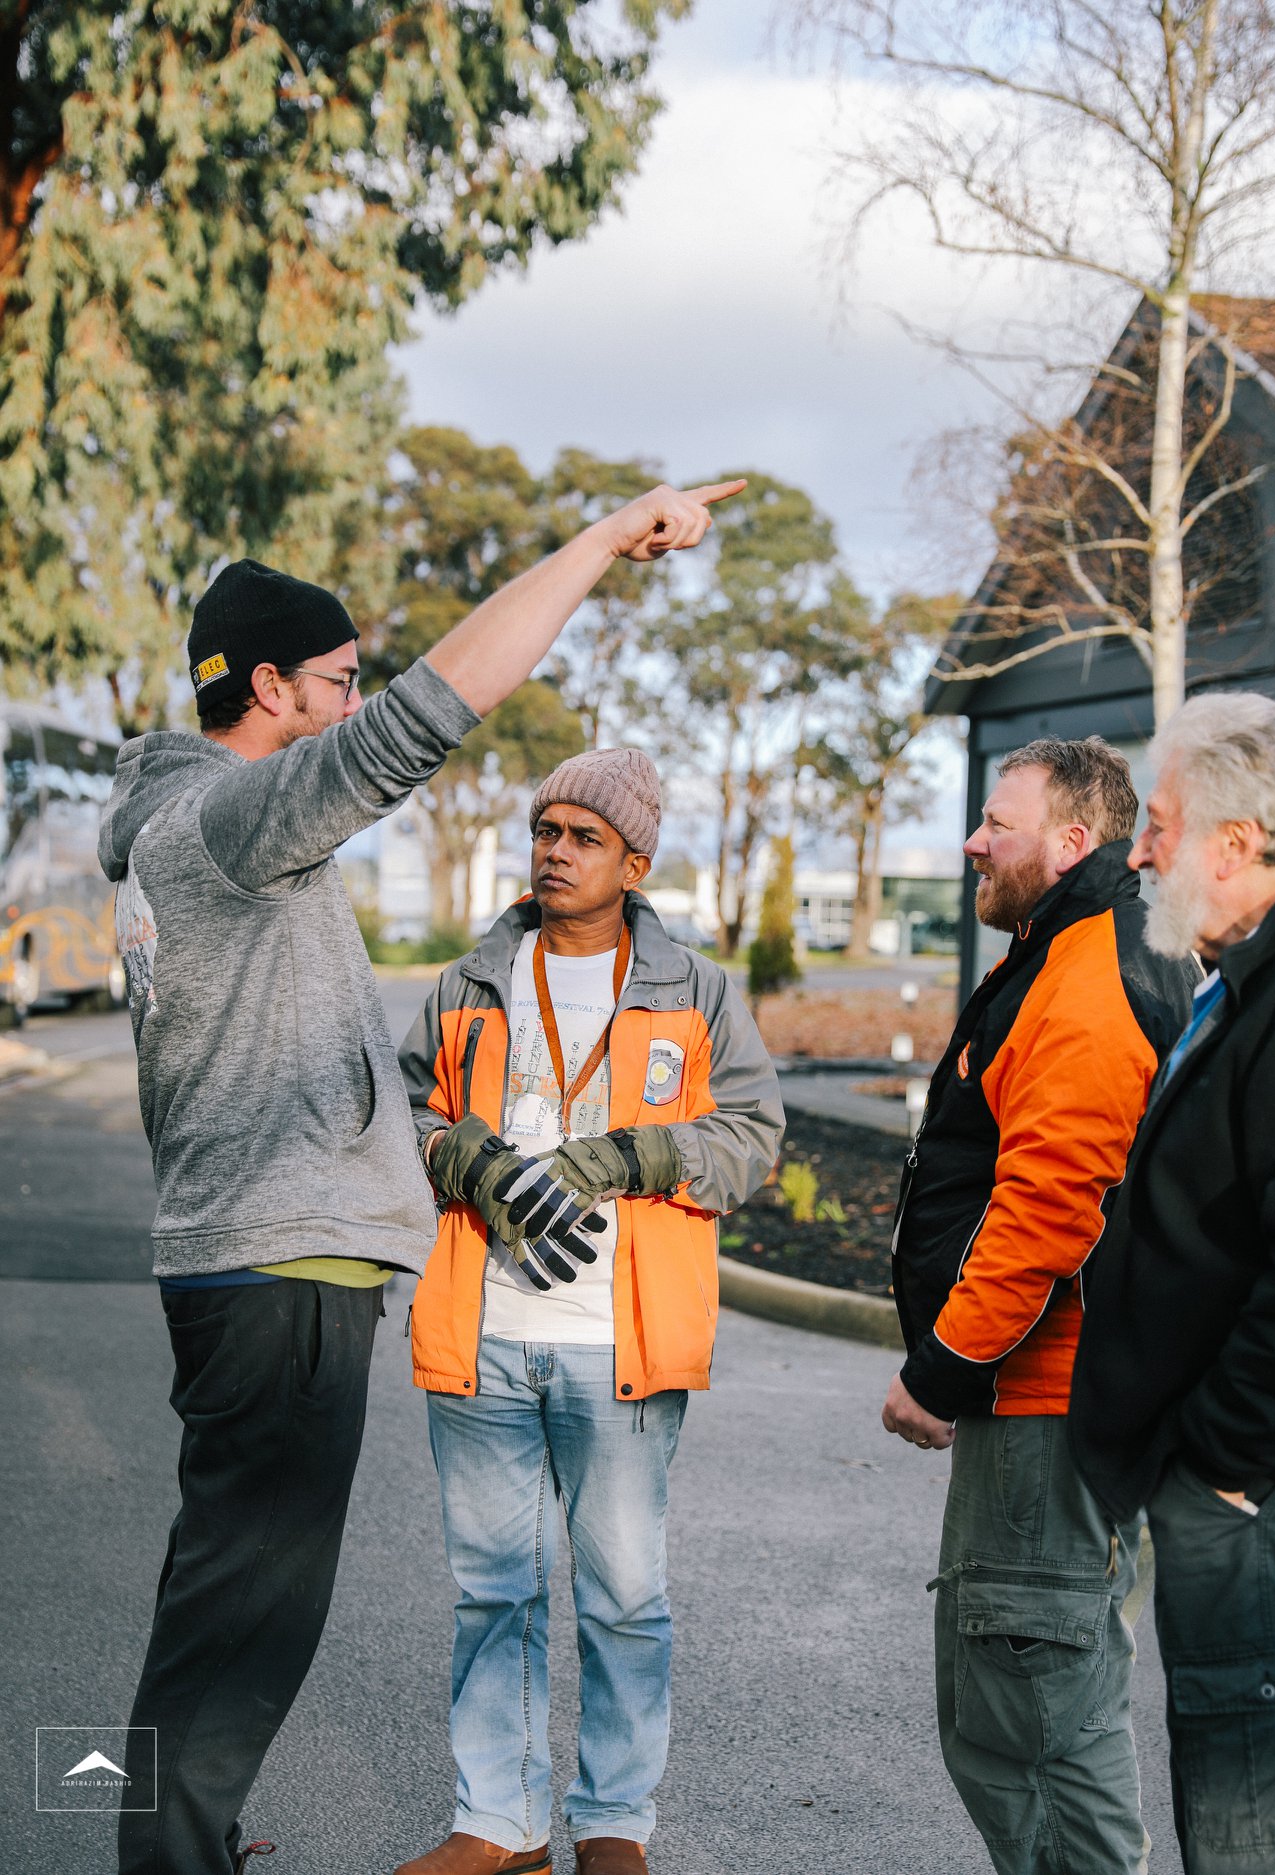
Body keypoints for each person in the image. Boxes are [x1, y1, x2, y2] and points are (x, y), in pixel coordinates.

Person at [96, 478, 743, 1875]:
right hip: (282, 1260)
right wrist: (600, 541)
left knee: (217, 1585)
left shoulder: (169, 825)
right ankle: (164, 1853)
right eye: (331, 681)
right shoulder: (233, 819)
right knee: (247, 1601)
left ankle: (170, 1829)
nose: (347, 702)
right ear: (267, 687)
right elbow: (431, 710)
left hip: (243, 1253)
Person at [394, 747, 783, 1875]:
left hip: (620, 1340)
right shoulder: (472, 981)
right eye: (547, 830)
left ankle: (614, 1823)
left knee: (623, 1600)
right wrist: (467, 1161)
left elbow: (752, 1138)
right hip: (484, 1334)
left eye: (584, 837)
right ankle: (499, 1823)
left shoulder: (695, 991)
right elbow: (403, 1115)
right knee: (491, 1593)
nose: (555, 852)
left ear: (635, 861)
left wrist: (628, 1152)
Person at [1069, 692, 1275, 1875]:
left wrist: (1223, 1467)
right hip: (1263, 1500)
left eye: (1158, 824)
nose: (1141, 849)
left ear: (1235, 842)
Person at [881, 736, 1197, 1875]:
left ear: (1073, 841)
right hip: (1058, 1394)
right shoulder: (1071, 946)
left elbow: (1053, 1204)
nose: (972, 840)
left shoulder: (1091, 971)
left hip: (1050, 1399)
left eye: (996, 822)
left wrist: (943, 1368)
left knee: (1034, 1720)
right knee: (1020, 1709)